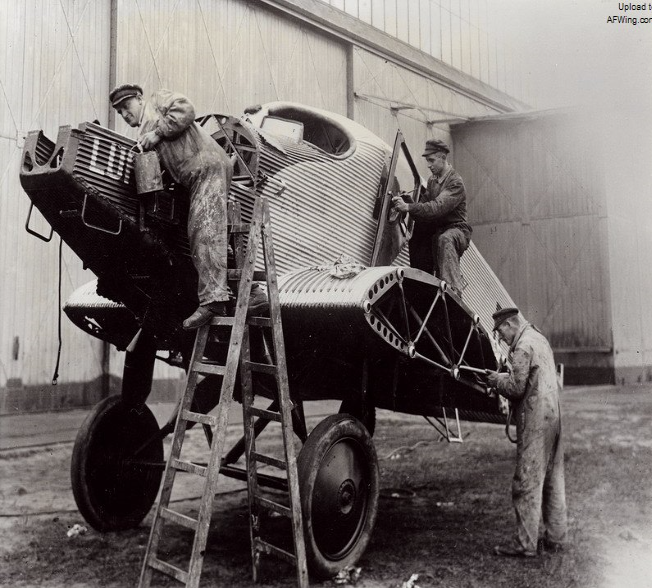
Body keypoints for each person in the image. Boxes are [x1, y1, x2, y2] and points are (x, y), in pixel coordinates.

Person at [109, 84, 267, 329]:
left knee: (203, 230)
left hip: (207, 168)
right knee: (192, 235)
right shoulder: (144, 134)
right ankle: (253, 292)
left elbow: (186, 109)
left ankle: (214, 301)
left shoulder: (156, 102)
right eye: (119, 112)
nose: (124, 114)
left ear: (139, 99)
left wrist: (158, 133)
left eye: (126, 107)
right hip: (191, 179)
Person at [485, 307, 567, 557]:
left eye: (500, 333)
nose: (501, 339)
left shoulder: (522, 347)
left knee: (527, 482)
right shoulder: (539, 338)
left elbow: (516, 387)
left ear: (510, 324)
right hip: (554, 416)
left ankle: (525, 544)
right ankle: (556, 537)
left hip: (536, 419)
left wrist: (496, 380)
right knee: (554, 479)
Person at [392, 139, 471, 297]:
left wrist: (409, 207)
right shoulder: (433, 181)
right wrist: (408, 202)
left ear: (442, 157)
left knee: (446, 240)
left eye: (431, 160)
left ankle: (453, 290)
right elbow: (425, 204)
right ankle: (422, 285)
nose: (428, 165)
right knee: (417, 233)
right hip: (438, 228)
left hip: (457, 230)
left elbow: (436, 208)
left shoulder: (455, 183)